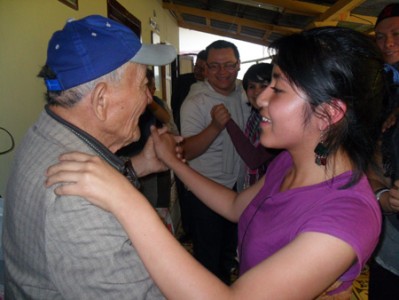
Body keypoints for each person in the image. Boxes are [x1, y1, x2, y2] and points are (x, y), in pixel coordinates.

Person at [46, 26, 384, 299]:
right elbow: (237, 205)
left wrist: (126, 200)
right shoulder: (291, 163)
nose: (261, 98)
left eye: (278, 89)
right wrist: (172, 162)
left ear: (328, 113)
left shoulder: (347, 215)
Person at [2, 15, 176, 299]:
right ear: (101, 100)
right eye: (143, 84)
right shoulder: (77, 205)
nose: (148, 98)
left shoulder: (46, 130)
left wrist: (139, 165)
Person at [180, 40, 250, 283]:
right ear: (205, 69)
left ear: (239, 65)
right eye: (215, 66)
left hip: (238, 190)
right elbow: (186, 151)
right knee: (208, 261)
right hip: (205, 193)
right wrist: (214, 127)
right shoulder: (195, 102)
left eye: (229, 65)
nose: (222, 72)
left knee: (230, 254)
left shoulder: (247, 93)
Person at [367, 3, 399, 299]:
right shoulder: (379, 89)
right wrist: (384, 198)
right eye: (380, 36)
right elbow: (369, 161)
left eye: (397, 34)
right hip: (389, 245)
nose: (387, 43)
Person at [222, 63, 280, 189]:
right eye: (251, 86)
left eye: (264, 86)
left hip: (272, 190)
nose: (257, 92)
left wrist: (226, 121)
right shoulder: (254, 116)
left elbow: (254, 159)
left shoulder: (279, 121)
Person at [171, 50, 206, 242]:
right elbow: (174, 109)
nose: (198, 71)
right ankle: (188, 228)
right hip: (182, 140)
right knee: (183, 188)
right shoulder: (183, 82)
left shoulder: (215, 88)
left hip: (203, 144)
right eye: (197, 67)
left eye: (202, 67)